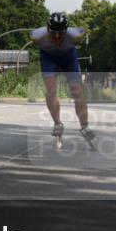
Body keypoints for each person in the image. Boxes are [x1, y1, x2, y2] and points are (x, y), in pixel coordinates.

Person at [30, 12, 95, 147]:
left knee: (77, 91)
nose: (57, 37)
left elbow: (84, 29)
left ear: (66, 31)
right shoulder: (37, 36)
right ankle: (57, 123)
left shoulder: (75, 35)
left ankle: (85, 126)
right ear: (47, 30)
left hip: (68, 57)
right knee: (51, 89)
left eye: (61, 34)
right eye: (53, 34)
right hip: (49, 58)